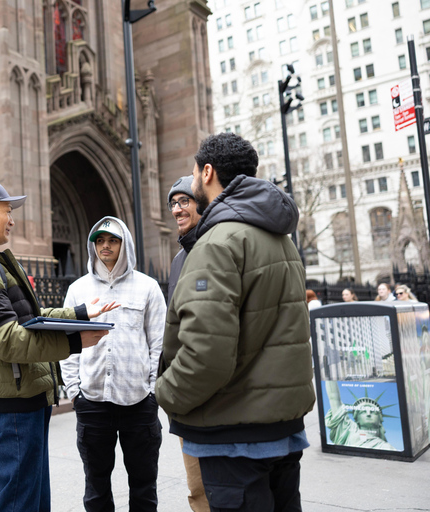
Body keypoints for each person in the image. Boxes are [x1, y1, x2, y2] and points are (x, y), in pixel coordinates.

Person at [156, 133, 315, 512]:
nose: (193, 180)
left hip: (235, 436)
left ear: (207, 172)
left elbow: (205, 353)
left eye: (195, 172)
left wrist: (166, 393)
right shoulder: (280, 239)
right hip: (282, 428)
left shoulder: (218, 242)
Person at [0, 180, 117, 512]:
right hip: (12, 404)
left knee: (32, 501)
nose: (12, 219)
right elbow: (6, 339)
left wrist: (79, 314)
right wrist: (75, 341)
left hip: (25, 396)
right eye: (7, 211)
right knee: (19, 503)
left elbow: (29, 317)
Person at [62, 216, 166, 512]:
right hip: (93, 402)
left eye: (112, 240)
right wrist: (74, 392)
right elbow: (67, 345)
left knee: (144, 486)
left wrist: (152, 391)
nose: (105, 246)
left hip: (138, 403)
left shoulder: (147, 287)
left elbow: (159, 343)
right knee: (96, 488)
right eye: (99, 241)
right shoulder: (78, 289)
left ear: (125, 245)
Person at [164, 176, 209, 512]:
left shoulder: (216, 245)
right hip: (187, 395)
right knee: (197, 488)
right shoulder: (178, 259)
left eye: (184, 202)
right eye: (173, 204)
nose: (178, 209)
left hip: (220, 390)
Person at [324, 381, 397, 451]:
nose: (368, 414)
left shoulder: (387, 447)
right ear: (357, 419)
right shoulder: (347, 429)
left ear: (380, 419)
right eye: (363, 411)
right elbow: (333, 396)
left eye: (373, 412)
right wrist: (328, 372)